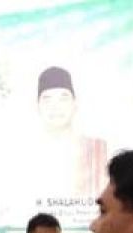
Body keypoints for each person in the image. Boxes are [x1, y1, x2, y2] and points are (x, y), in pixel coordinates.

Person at [34, 66, 108, 198]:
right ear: (38, 106)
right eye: (47, 99)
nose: (55, 107)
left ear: (75, 103)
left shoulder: (99, 150)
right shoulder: (26, 155)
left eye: (63, 98)